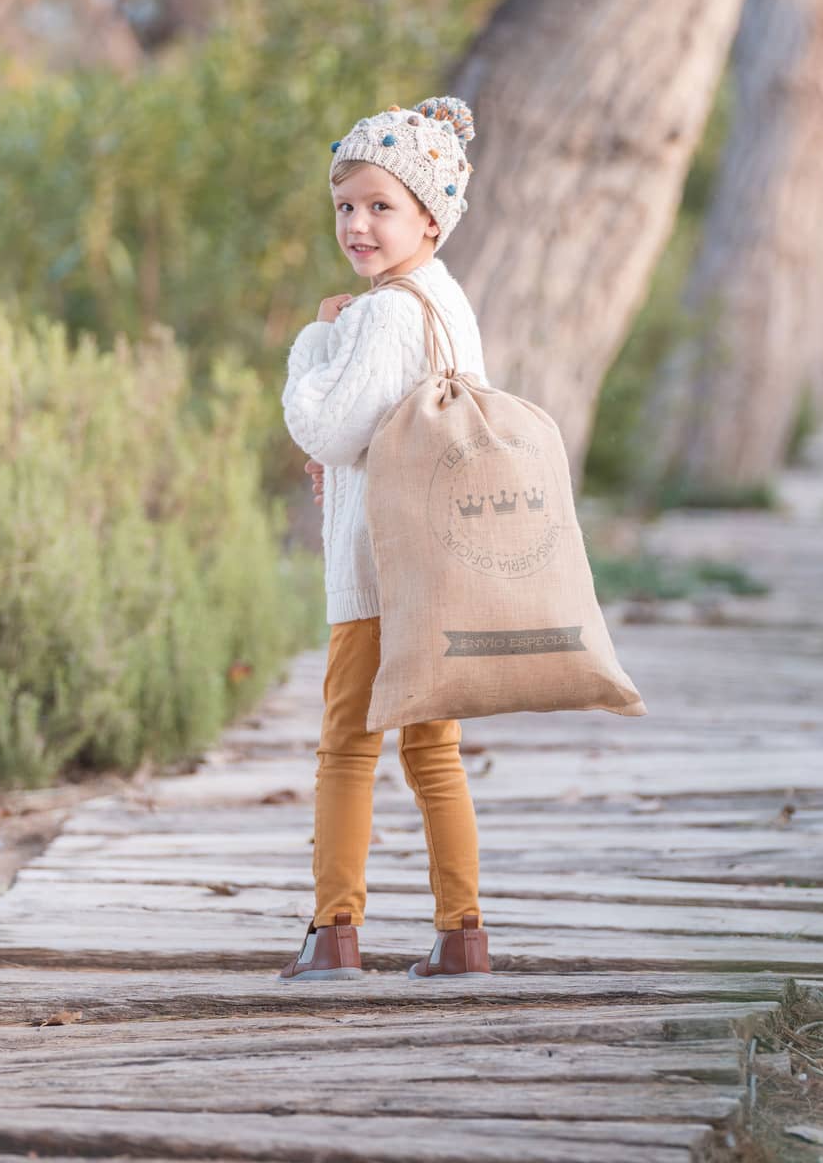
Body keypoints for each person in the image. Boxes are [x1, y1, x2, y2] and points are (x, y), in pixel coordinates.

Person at [277, 96, 491, 982]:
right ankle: (462, 934)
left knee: (347, 746)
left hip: (374, 574)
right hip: (437, 572)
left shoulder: (379, 315)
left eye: (380, 206)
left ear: (430, 217)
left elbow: (326, 428)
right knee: (434, 750)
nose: (357, 225)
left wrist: (315, 340)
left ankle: (334, 932)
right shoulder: (448, 302)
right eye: (344, 206)